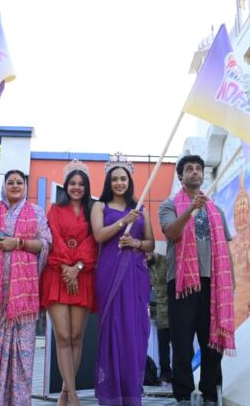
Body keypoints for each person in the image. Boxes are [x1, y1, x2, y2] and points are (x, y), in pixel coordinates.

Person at [0, 160, 52, 406]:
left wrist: (17, 243)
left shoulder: (36, 212)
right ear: (3, 187)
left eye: (19, 182)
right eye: (10, 182)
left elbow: (45, 244)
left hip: (23, 300)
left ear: (25, 187)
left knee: (22, 357)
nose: (15, 185)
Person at [159, 155, 235, 406]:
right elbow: (172, 232)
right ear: (180, 176)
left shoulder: (215, 209)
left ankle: (210, 393)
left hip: (214, 283)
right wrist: (191, 209)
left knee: (212, 340)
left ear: (203, 175)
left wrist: (231, 282)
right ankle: (183, 393)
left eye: (198, 169)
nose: (195, 172)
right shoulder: (169, 205)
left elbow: (224, 248)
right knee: (181, 340)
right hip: (181, 283)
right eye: (189, 169)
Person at [90, 154, 154, 406]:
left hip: (135, 277)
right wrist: (122, 222)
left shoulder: (141, 209)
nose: (119, 183)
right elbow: (98, 235)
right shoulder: (100, 206)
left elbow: (150, 243)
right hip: (109, 273)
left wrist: (136, 242)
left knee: (134, 330)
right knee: (113, 329)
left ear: (129, 182)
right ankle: (111, 394)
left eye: (123, 179)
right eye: (114, 179)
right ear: (109, 182)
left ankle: (131, 393)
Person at [41, 160, 98, 406]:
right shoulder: (55, 209)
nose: (76, 187)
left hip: (82, 275)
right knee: (63, 336)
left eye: (81, 184)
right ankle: (74, 396)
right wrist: (67, 268)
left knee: (76, 335)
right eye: (72, 183)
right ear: (66, 186)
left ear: (86, 187)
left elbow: (93, 241)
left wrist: (78, 268)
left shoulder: (93, 210)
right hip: (57, 273)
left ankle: (65, 391)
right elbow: (52, 237)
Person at [146, 251, 173, 384]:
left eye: (146, 254)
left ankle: (184, 373)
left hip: (174, 309)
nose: (145, 257)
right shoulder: (146, 267)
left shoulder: (166, 261)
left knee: (180, 344)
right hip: (160, 312)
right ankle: (165, 373)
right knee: (163, 345)